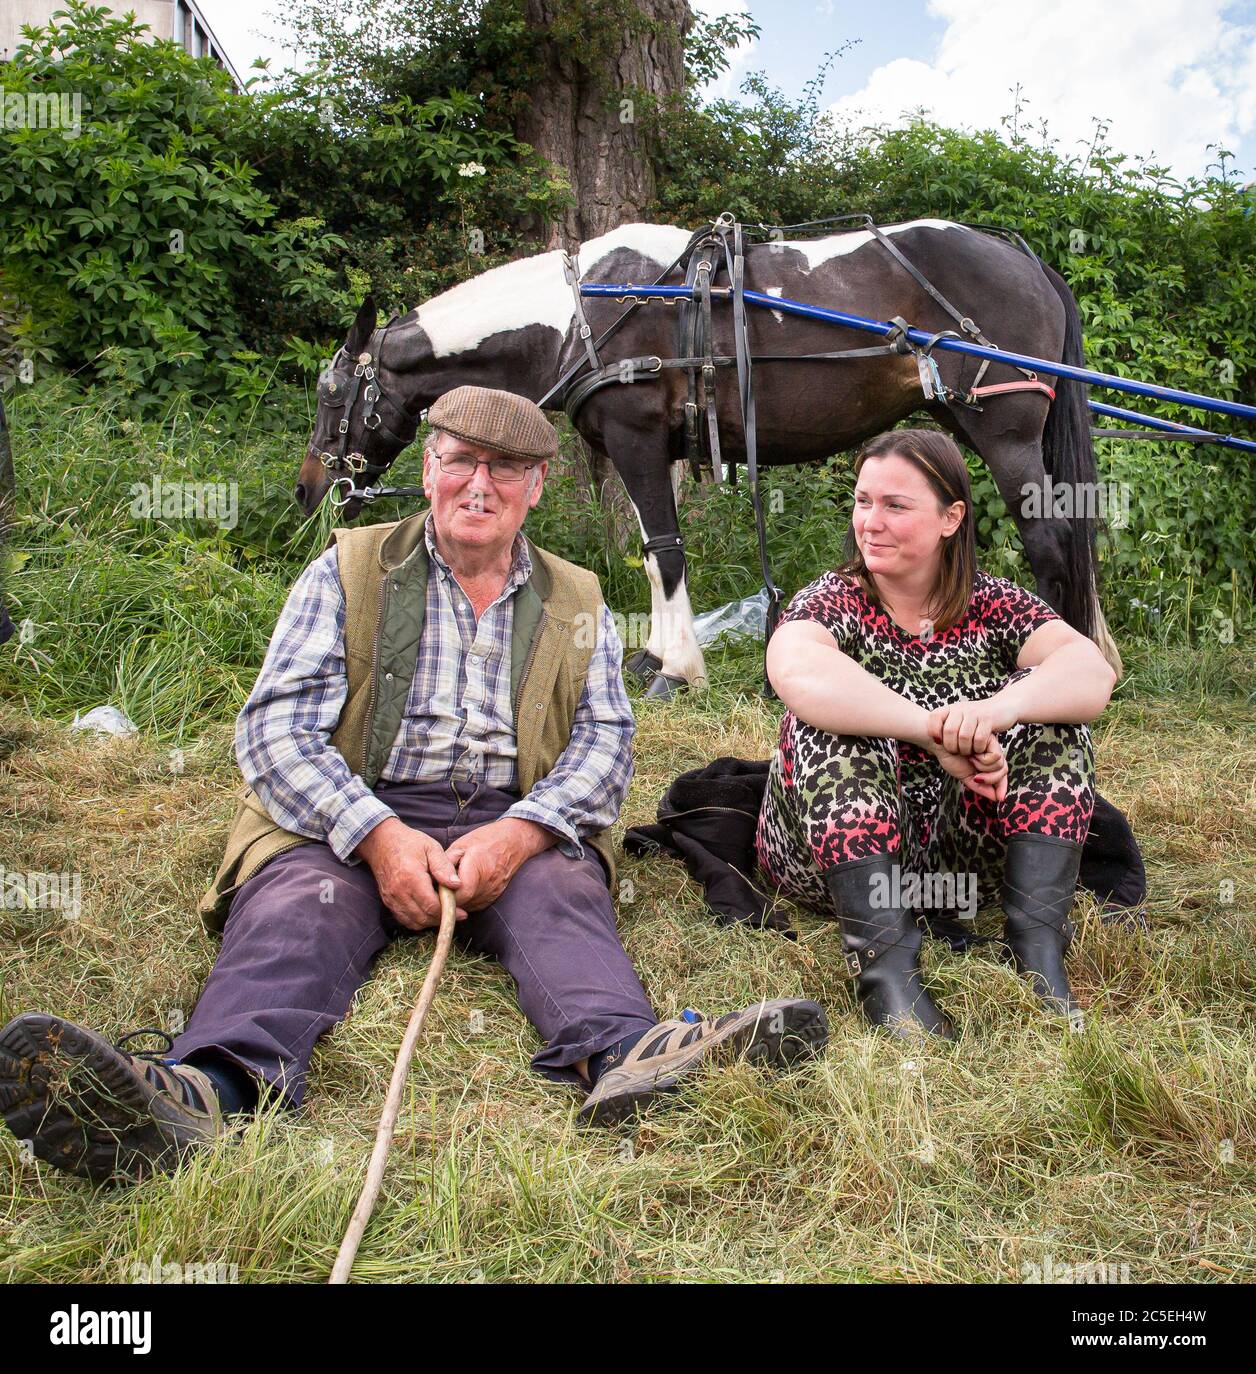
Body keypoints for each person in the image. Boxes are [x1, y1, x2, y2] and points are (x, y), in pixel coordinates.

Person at [0, 386, 827, 1181]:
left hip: (513, 817)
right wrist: (377, 836)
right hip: (353, 813)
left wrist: (524, 832)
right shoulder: (348, 569)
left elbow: (606, 744)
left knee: (560, 895)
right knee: (296, 905)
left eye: (506, 468)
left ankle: (626, 1056)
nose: (480, 483)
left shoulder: (579, 597)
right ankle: (204, 1092)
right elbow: (276, 729)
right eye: (462, 459)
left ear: (536, 487)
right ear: (429, 470)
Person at [756, 427, 1117, 1038]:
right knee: (828, 727)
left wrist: (995, 714)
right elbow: (793, 667)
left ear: (951, 518)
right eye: (863, 500)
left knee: (1056, 724)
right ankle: (887, 974)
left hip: (955, 861)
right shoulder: (834, 599)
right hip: (830, 862)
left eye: (895, 505)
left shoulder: (995, 603)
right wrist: (929, 732)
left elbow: (1090, 671)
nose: (870, 522)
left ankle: (1036, 952)